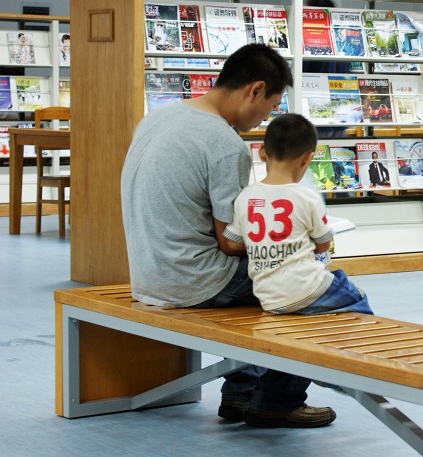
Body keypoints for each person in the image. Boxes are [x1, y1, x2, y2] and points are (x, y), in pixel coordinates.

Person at [120, 43, 336, 429]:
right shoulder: (225, 144)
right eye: (271, 107)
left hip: (148, 273)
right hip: (192, 280)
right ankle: (277, 401)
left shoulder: (159, 116)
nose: (266, 118)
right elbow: (231, 242)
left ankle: (241, 394)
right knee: (308, 289)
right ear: (256, 89)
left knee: (269, 275)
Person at [222, 113, 372, 318]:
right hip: (308, 289)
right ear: (308, 158)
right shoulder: (307, 197)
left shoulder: (245, 197)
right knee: (355, 294)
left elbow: (232, 244)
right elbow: (324, 245)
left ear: (262, 152)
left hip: (269, 298)